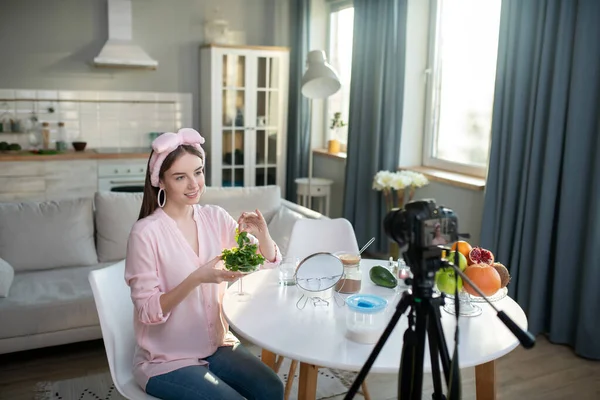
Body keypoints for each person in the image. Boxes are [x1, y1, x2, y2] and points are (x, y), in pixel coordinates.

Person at [124, 128, 284, 400]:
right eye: (180, 177)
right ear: (160, 182)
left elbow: (257, 267)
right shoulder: (145, 233)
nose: (193, 184)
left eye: (197, 172)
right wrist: (196, 278)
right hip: (166, 360)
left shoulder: (216, 217)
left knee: (272, 388)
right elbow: (147, 312)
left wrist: (264, 237)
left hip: (216, 346)